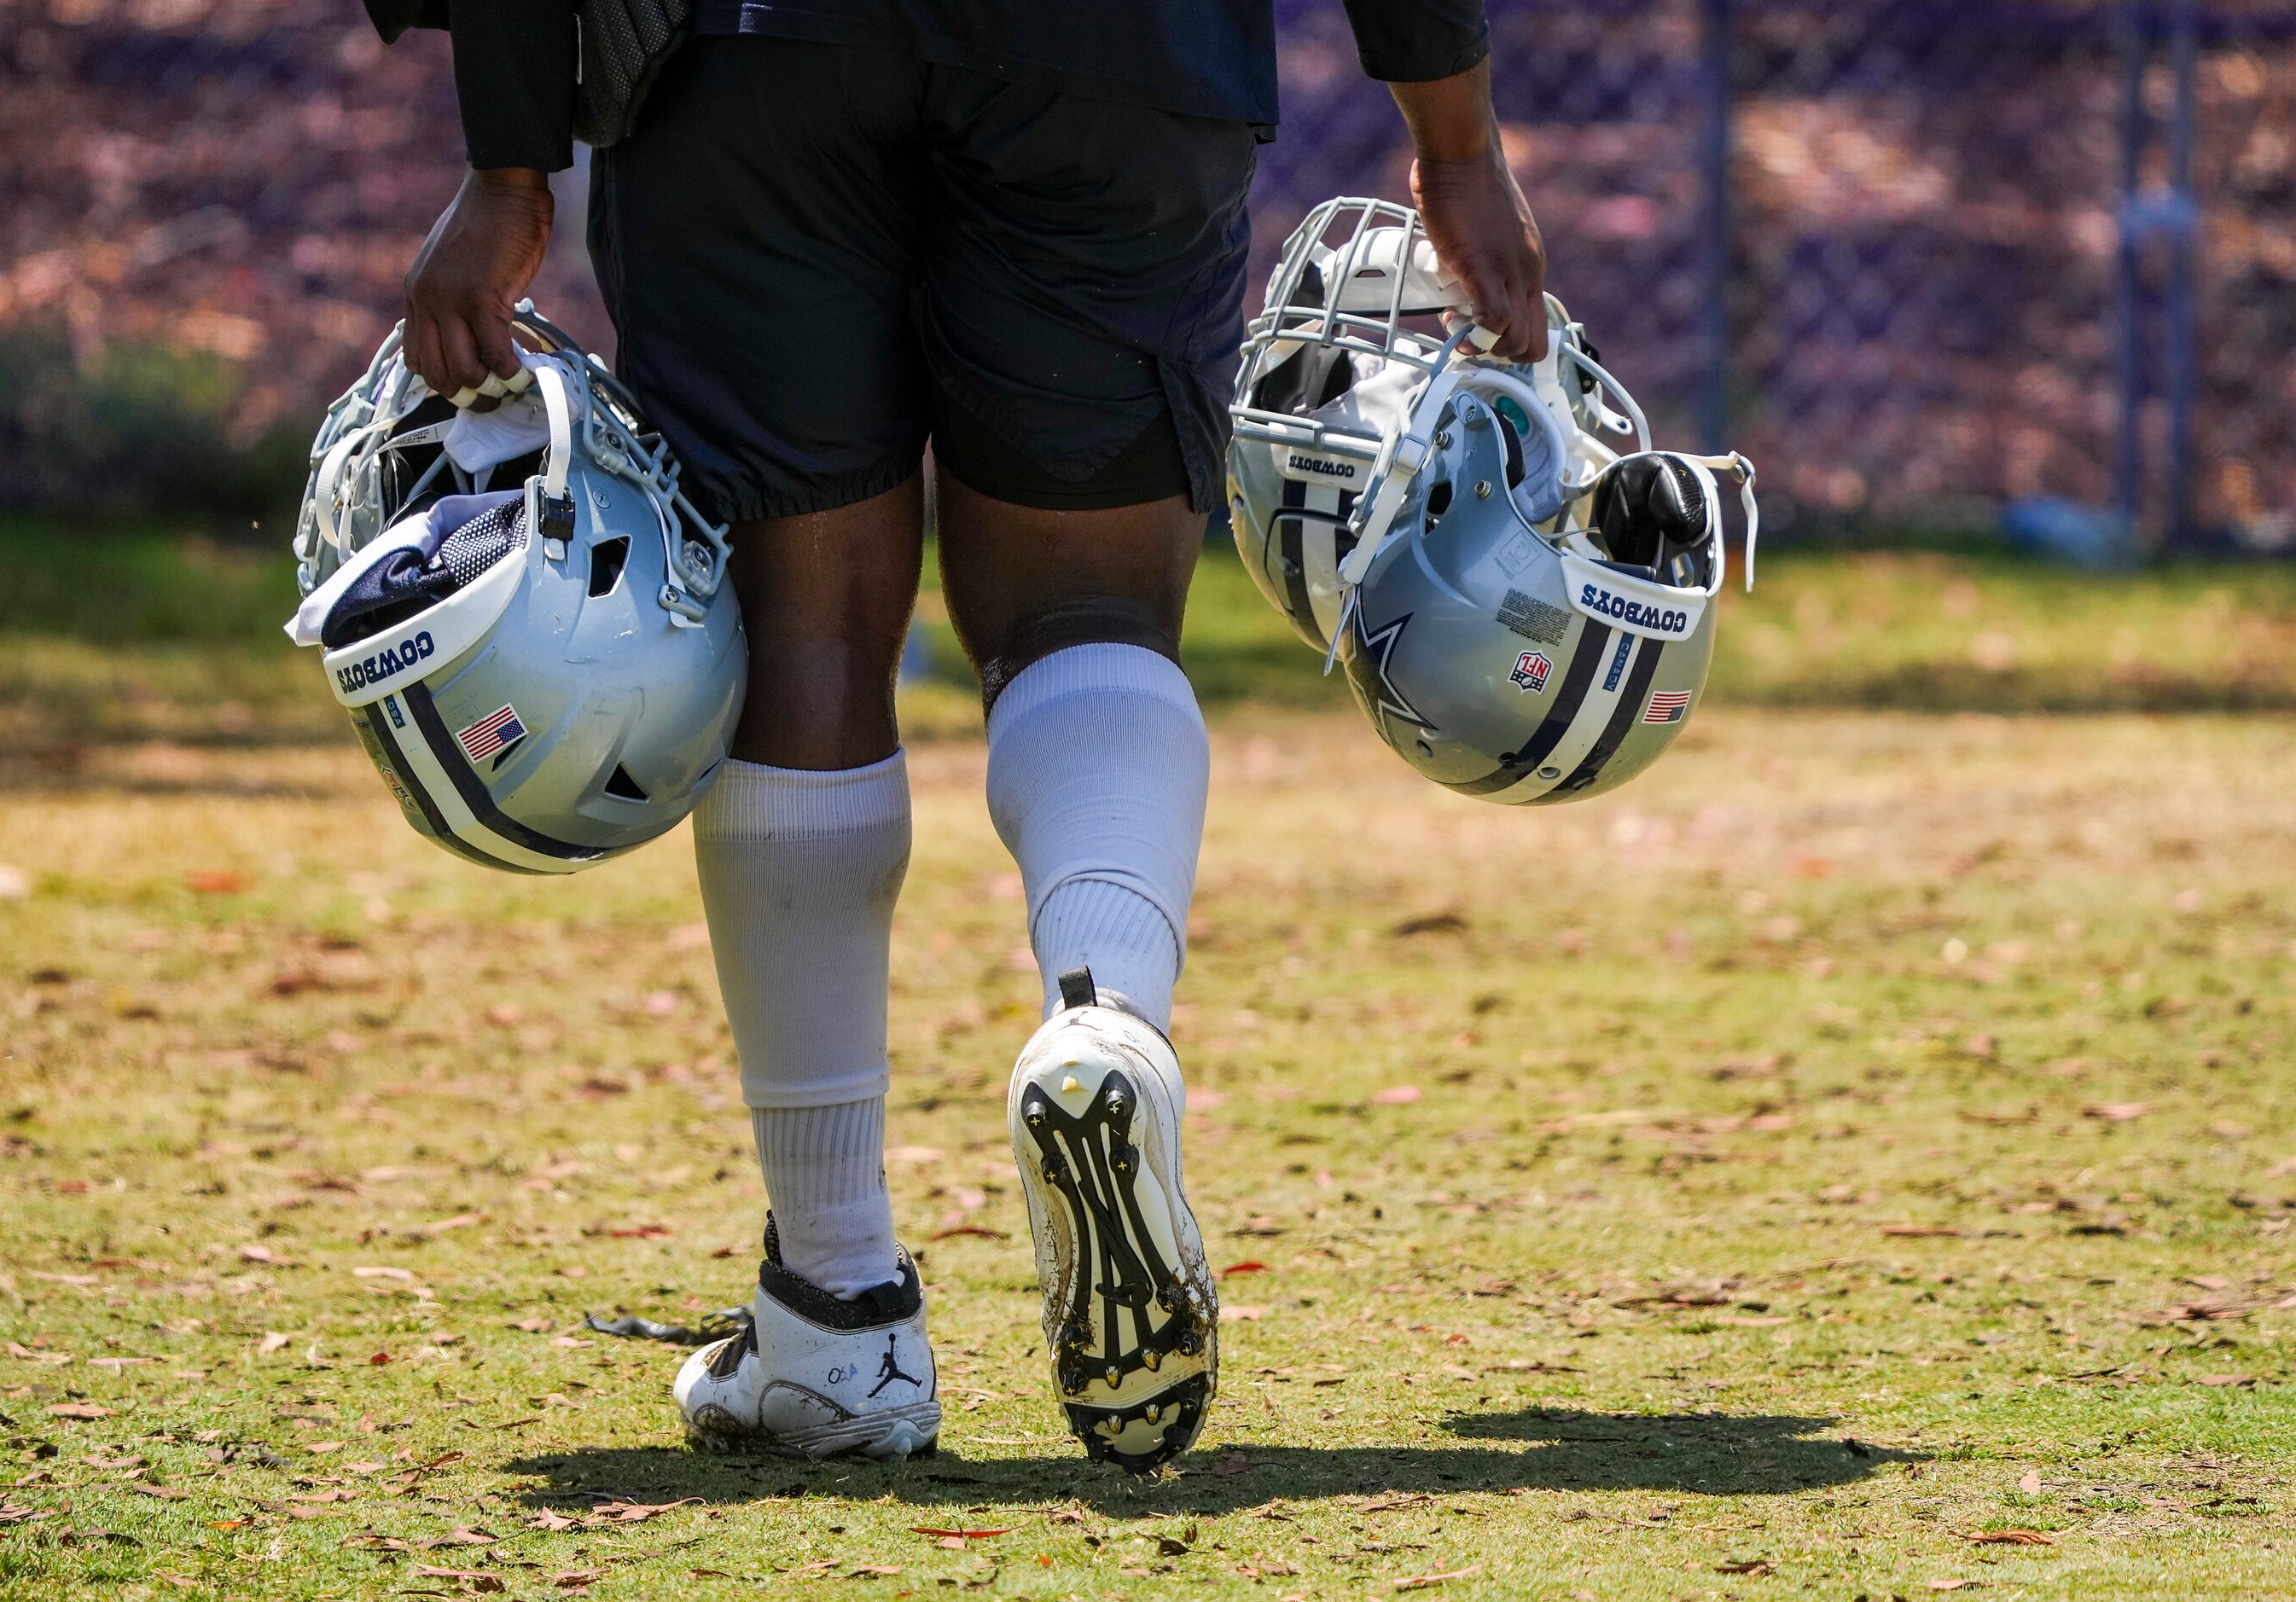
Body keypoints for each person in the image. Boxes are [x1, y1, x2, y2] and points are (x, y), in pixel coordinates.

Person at [389, 0, 1549, 1473]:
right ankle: (1102, 1022)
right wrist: (1451, 133)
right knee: (1083, 612)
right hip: (1117, 55)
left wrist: (507, 170)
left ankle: (834, 1311)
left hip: (744, 59)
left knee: (801, 633)